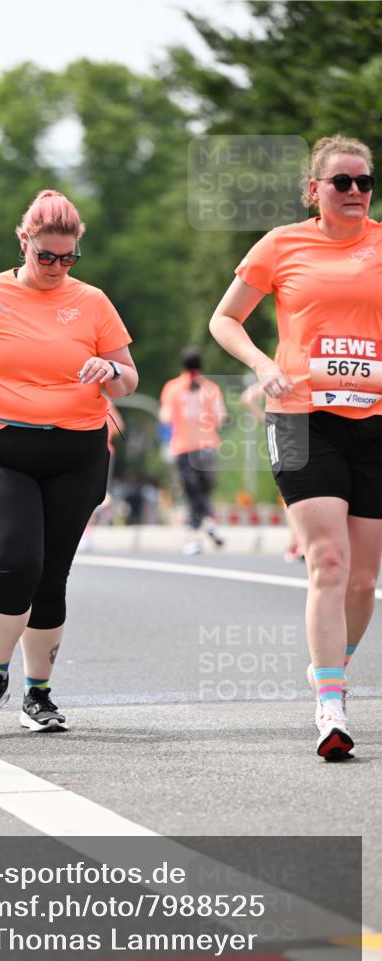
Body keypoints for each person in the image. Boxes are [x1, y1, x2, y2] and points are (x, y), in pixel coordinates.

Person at [0, 189, 138, 733]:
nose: (57, 267)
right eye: (46, 255)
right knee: (17, 563)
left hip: (76, 452)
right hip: (0, 448)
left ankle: (38, 694)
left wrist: (110, 371)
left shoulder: (92, 302)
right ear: (23, 242)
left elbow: (129, 377)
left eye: (69, 257)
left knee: (51, 576)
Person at [209, 134, 381, 760]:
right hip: (302, 417)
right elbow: (224, 319)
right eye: (343, 182)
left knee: (363, 580)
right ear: (315, 190)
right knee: (328, 561)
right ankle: (331, 706)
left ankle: (332, 663)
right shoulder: (282, 245)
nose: (356, 191)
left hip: (374, 421)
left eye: (365, 181)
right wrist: (262, 365)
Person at [159, 348, 227, 555]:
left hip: (183, 446)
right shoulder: (211, 388)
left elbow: (165, 417)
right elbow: (221, 417)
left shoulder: (172, 388)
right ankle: (209, 521)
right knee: (204, 489)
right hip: (207, 445)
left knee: (191, 491)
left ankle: (194, 535)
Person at [240, 381, 304, 562]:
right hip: (310, 434)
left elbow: (247, 398)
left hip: (286, 435)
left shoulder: (280, 377)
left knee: (292, 493)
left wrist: (266, 420)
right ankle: (298, 541)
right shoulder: (296, 376)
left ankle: (297, 541)